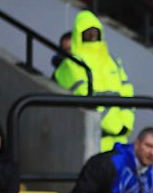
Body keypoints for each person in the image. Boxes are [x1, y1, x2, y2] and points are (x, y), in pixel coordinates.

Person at [53, 11, 135, 151]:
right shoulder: (72, 63)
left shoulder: (113, 61)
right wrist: (115, 125)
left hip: (119, 138)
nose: (92, 34)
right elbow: (84, 95)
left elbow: (127, 91)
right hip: (92, 138)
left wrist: (126, 123)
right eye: (87, 31)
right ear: (79, 34)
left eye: (94, 30)